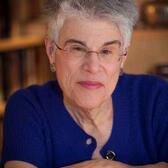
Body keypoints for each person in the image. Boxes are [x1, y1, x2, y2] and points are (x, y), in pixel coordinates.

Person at [1, 0, 168, 167]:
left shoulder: (156, 97)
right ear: (51, 51)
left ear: (123, 56)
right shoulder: (28, 106)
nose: (93, 67)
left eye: (106, 51)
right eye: (77, 49)